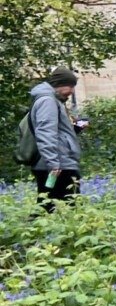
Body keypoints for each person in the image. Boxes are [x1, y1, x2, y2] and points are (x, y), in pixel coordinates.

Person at [29, 67, 84, 210]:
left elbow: (57, 132)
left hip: (58, 163)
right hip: (58, 166)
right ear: (59, 84)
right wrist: (53, 163)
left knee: (49, 206)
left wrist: (75, 129)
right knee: (62, 208)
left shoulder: (52, 100)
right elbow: (45, 132)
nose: (71, 91)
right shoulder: (47, 101)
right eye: (70, 86)